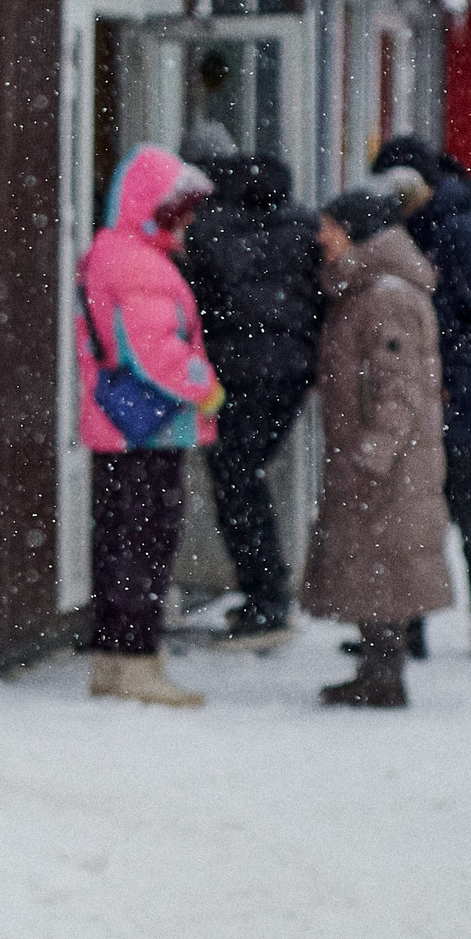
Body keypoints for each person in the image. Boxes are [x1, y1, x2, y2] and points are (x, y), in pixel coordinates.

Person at [369, 137, 471, 660]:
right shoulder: (413, 232)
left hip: (466, 410)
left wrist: (452, 378)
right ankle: (409, 627)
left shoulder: (461, 235)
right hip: (434, 405)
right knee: (416, 520)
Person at [76, 143, 224, 707]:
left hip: (119, 428)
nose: (183, 220)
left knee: (118, 540)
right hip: (148, 430)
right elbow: (153, 351)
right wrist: (205, 387)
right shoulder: (138, 262)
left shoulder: (112, 252)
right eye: (174, 209)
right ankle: (138, 661)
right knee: (145, 541)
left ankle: (114, 661)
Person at [300, 188, 455, 708]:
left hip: (390, 461)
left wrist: (376, 451)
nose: (322, 237)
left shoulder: (385, 296)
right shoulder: (369, 290)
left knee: (383, 561)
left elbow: (401, 387)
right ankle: (377, 670)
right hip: (378, 455)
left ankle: (384, 676)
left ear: (356, 232)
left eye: (330, 227)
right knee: (375, 561)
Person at [176, 122, 324, 647]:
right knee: (248, 476)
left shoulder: (206, 225)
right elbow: (319, 295)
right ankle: (267, 591)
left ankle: (266, 595)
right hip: (290, 375)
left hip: (235, 372)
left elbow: (197, 304)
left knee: (236, 479)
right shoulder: (302, 221)